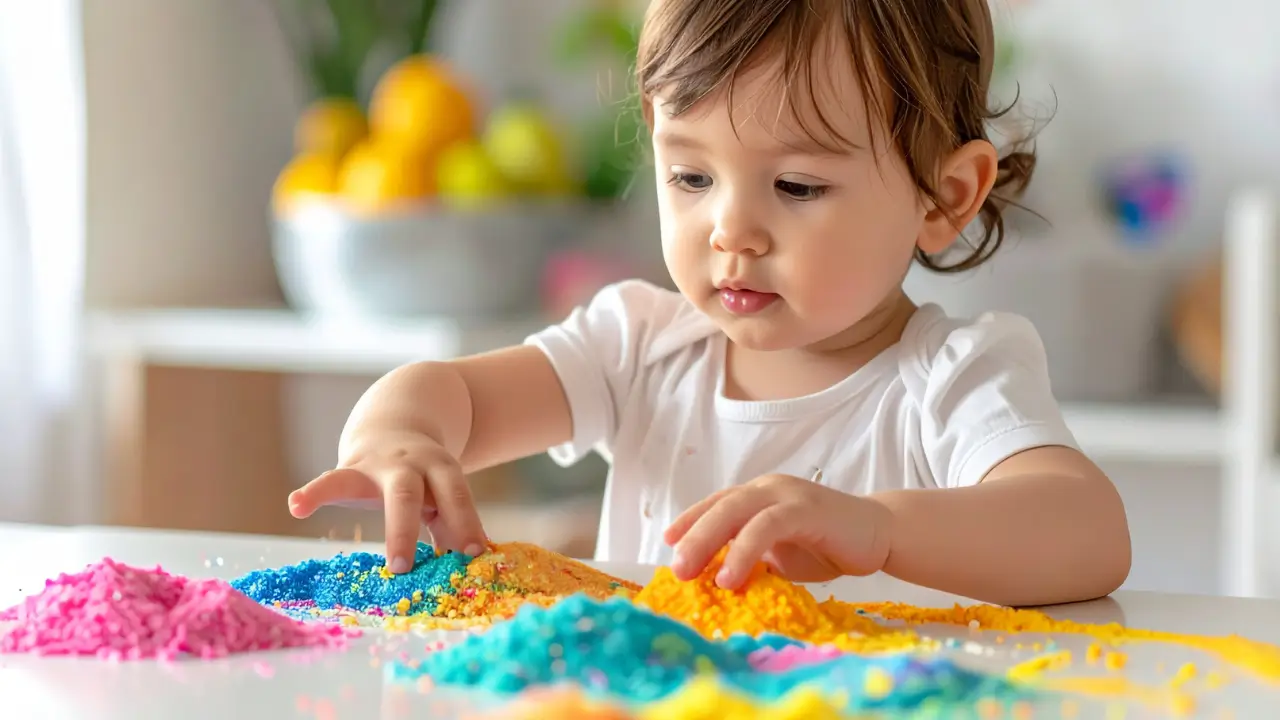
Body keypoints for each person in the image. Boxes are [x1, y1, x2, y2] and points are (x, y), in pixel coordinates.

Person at [287, 0, 1132, 608]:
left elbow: (1087, 533)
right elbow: (455, 395)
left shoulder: (948, 380)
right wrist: (398, 435)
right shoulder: (638, 347)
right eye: (690, 175)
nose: (732, 230)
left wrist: (877, 529)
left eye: (798, 185)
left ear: (945, 197)